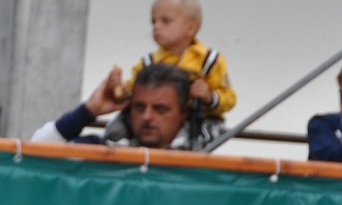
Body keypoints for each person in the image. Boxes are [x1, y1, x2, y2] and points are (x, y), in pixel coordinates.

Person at [35, 62, 219, 151]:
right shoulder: (102, 150)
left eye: (160, 109)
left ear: (182, 114)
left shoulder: (202, 162)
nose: (147, 116)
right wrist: (89, 110)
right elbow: (35, 153)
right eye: (139, 107)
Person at [120, 0, 235, 118]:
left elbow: (229, 97)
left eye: (166, 21)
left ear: (191, 28)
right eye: (153, 22)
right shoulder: (149, 62)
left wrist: (209, 96)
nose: (156, 26)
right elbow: (133, 90)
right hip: (159, 124)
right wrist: (118, 89)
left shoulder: (209, 60)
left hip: (199, 124)